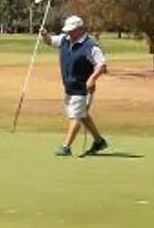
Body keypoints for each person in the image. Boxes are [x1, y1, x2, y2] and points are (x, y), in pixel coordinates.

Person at [47, 13, 110, 157]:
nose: (68, 33)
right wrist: (44, 34)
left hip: (83, 88)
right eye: (67, 30)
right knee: (82, 115)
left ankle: (66, 147)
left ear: (80, 29)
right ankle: (99, 141)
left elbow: (102, 65)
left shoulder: (90, 46)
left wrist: (93, 78)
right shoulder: (65, 40)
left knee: (75, 115)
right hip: (70, 87)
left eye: (71, 30)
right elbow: (50, 41)